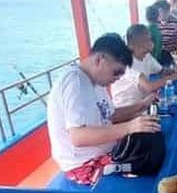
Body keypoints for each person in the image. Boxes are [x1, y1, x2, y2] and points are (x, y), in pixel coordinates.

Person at [47, 33, 160, 184]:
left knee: (155, 140)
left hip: (108, 151)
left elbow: (111, 116)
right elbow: (78, 137)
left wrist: (142, 105)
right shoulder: (75, 82)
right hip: (86, 165)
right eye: (117, 72)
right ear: (99, 60)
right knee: (152, 167)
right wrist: (129, 127)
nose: (118, 77)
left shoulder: (96, 81)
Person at [110, 24, 177, 108]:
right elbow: (149, 87)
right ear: (131, 46)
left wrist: (175, 69)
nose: (150, 43)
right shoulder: (128, 63)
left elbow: (162, 71)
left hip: (142, 104)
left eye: (149, 39)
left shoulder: (147, 56)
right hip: (125, 109)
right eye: (144, 41)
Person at [155, 0, 177, 64]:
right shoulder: (155, 22)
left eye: (165, 11)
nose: (162, 14)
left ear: (168, 11)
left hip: (169, 53)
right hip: (156, 52)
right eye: (161, 11)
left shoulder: (176, 23)